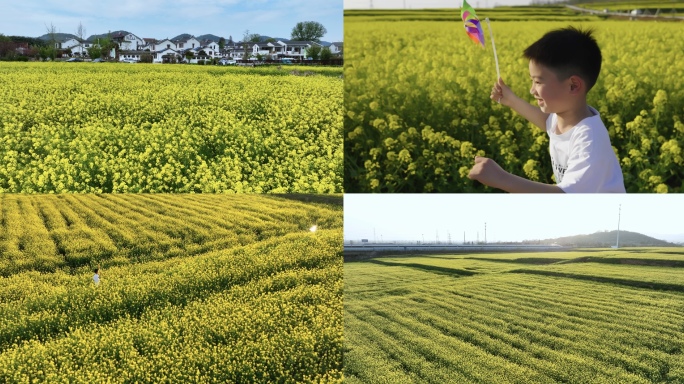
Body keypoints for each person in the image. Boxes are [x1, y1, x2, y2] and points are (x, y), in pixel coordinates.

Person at [468, 26, 625, 193]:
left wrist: (501, 179)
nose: (532, 90)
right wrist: (511, 100)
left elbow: (565, 197)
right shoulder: (565, 119)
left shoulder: (589, 139)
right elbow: (547, 122)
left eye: (538, 82)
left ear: (573, 86)